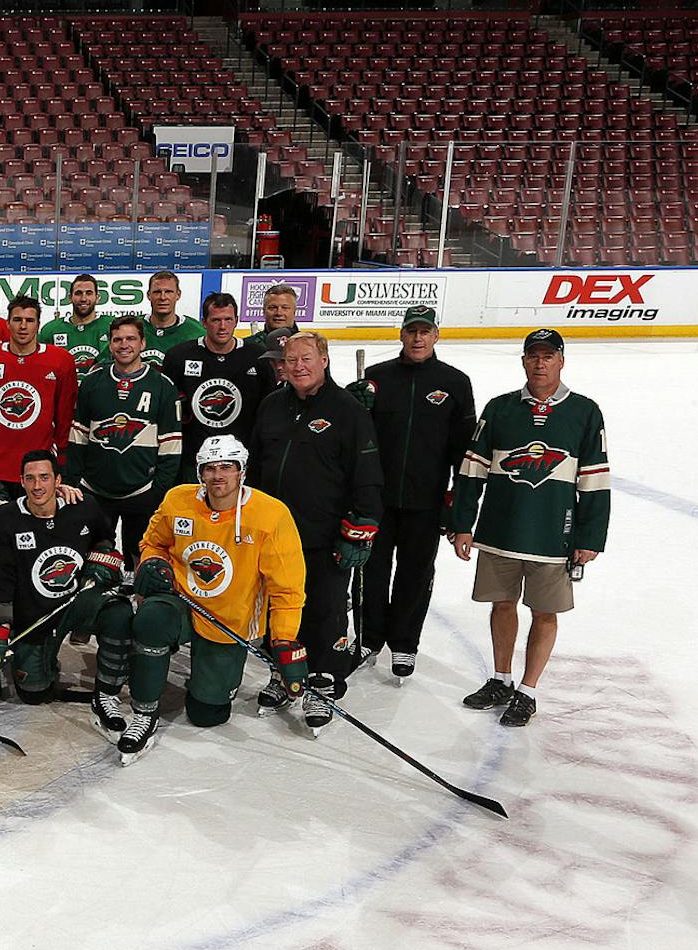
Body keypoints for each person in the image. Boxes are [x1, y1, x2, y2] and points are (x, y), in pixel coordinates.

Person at [447, 328, 610, 728]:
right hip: (499, 530)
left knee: (544, 612)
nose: (540, 363)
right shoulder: (500, 408)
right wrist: (462, 523)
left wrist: (589, 538)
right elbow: (471, 471)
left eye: (548, 356)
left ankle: (528, 690)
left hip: (554, 535)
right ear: (523, 361)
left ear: (561, 361)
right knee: (501, 605)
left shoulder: (585, 411)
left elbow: (595, 480)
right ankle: (501, 679)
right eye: (533, 356)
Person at [121, 433, 308, 759]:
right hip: (181, 600)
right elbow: (153, 542)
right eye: (210, 468)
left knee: (208, 713)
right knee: (150, 620)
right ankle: (144, 711)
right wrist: (154, 563)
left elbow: (287, 590)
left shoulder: (270, 516)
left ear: (241, 471)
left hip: (229, 619)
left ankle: (208, 683)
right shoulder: (179, 501)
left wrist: (284, 641)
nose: (218, 475)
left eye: (226, 467)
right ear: (200, 473)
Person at [249, 330, 382, 726]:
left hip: (324, 534)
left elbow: (367, 472)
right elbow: (256, 467)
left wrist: (362, 524)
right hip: (275, 534)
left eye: (306, 358)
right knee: (280, 609)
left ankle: (323, 680)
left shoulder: (347, 409)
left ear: (324, 360)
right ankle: (283, 672)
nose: (298, 366)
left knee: (324, 609)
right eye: (291, 360)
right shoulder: (272, 406)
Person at [353, 304, 475, 679]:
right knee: (370, 570)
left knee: (415, 572)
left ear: (436, 335)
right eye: (411, 331)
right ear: (401, 334)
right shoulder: (375, 378)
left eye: (425, 332)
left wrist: (458, 503)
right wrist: (352, 400)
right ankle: (369, 637)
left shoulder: (455, 383)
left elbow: (463, 449)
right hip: (378, 498)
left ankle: (405, 643)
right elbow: (353, 435)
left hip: (427, 500)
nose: (418, 338)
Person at [0, 450, 127, 733]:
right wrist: (1, 627)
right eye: (31, 478)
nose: (37, 486)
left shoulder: (83, 507)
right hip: (32, 614)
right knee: (34, 693)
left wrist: (103, 563)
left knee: (119, 613)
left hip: (78, 601)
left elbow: (106, 541)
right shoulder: (2, 522)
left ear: (58, 480)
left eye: (45, 478)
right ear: (20, 481)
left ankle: (107, 693)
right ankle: (42, 662)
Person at [67, 314, 181, 569]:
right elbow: (78, 435)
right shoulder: (93, 382)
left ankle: (136, 599)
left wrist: (157, 490)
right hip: (95, 489)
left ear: (143, 343)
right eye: (117, 339)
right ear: (110, 345)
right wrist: (74, 482)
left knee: (140, 555)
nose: (124, 344)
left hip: (141, 490)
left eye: (131, 338)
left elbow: (172, 444)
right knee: (93, 554)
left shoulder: (162, 386)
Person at [0, 292, 78, 499]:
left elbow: (64, 416)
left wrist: (62, 457)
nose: (23, 326)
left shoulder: (60, 361)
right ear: (8, 323)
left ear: (38, 324)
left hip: (36, 471)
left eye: (29, 320)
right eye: (17, 320)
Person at [163, 291, 273, 482]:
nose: (223, 327)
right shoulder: (179, 356)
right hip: (194, 458)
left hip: (241, 460)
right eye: (216, 320)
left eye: (228, 319)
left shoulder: (258, 357)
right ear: (204, 322)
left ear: (237, 320)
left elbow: (268, 410)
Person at [41, 273, 111, 373]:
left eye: (89, 293)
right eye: (78, 293)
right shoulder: (51, 330)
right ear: (70, 298)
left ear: (97, 298)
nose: (83, 298)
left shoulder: (111, 326)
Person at [139, 270, 201, 366]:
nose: (163, 297)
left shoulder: (196, 332)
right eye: (157, 292)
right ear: (148, 295)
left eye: (168, 292)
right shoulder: (132, 327)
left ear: (178, 295)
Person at [247, 283, 300, 358]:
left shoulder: (310, 344)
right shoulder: (247, 346)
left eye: (285, 308)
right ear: (264, 311)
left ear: (294, 311)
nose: (279, 313)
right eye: (272, 307)